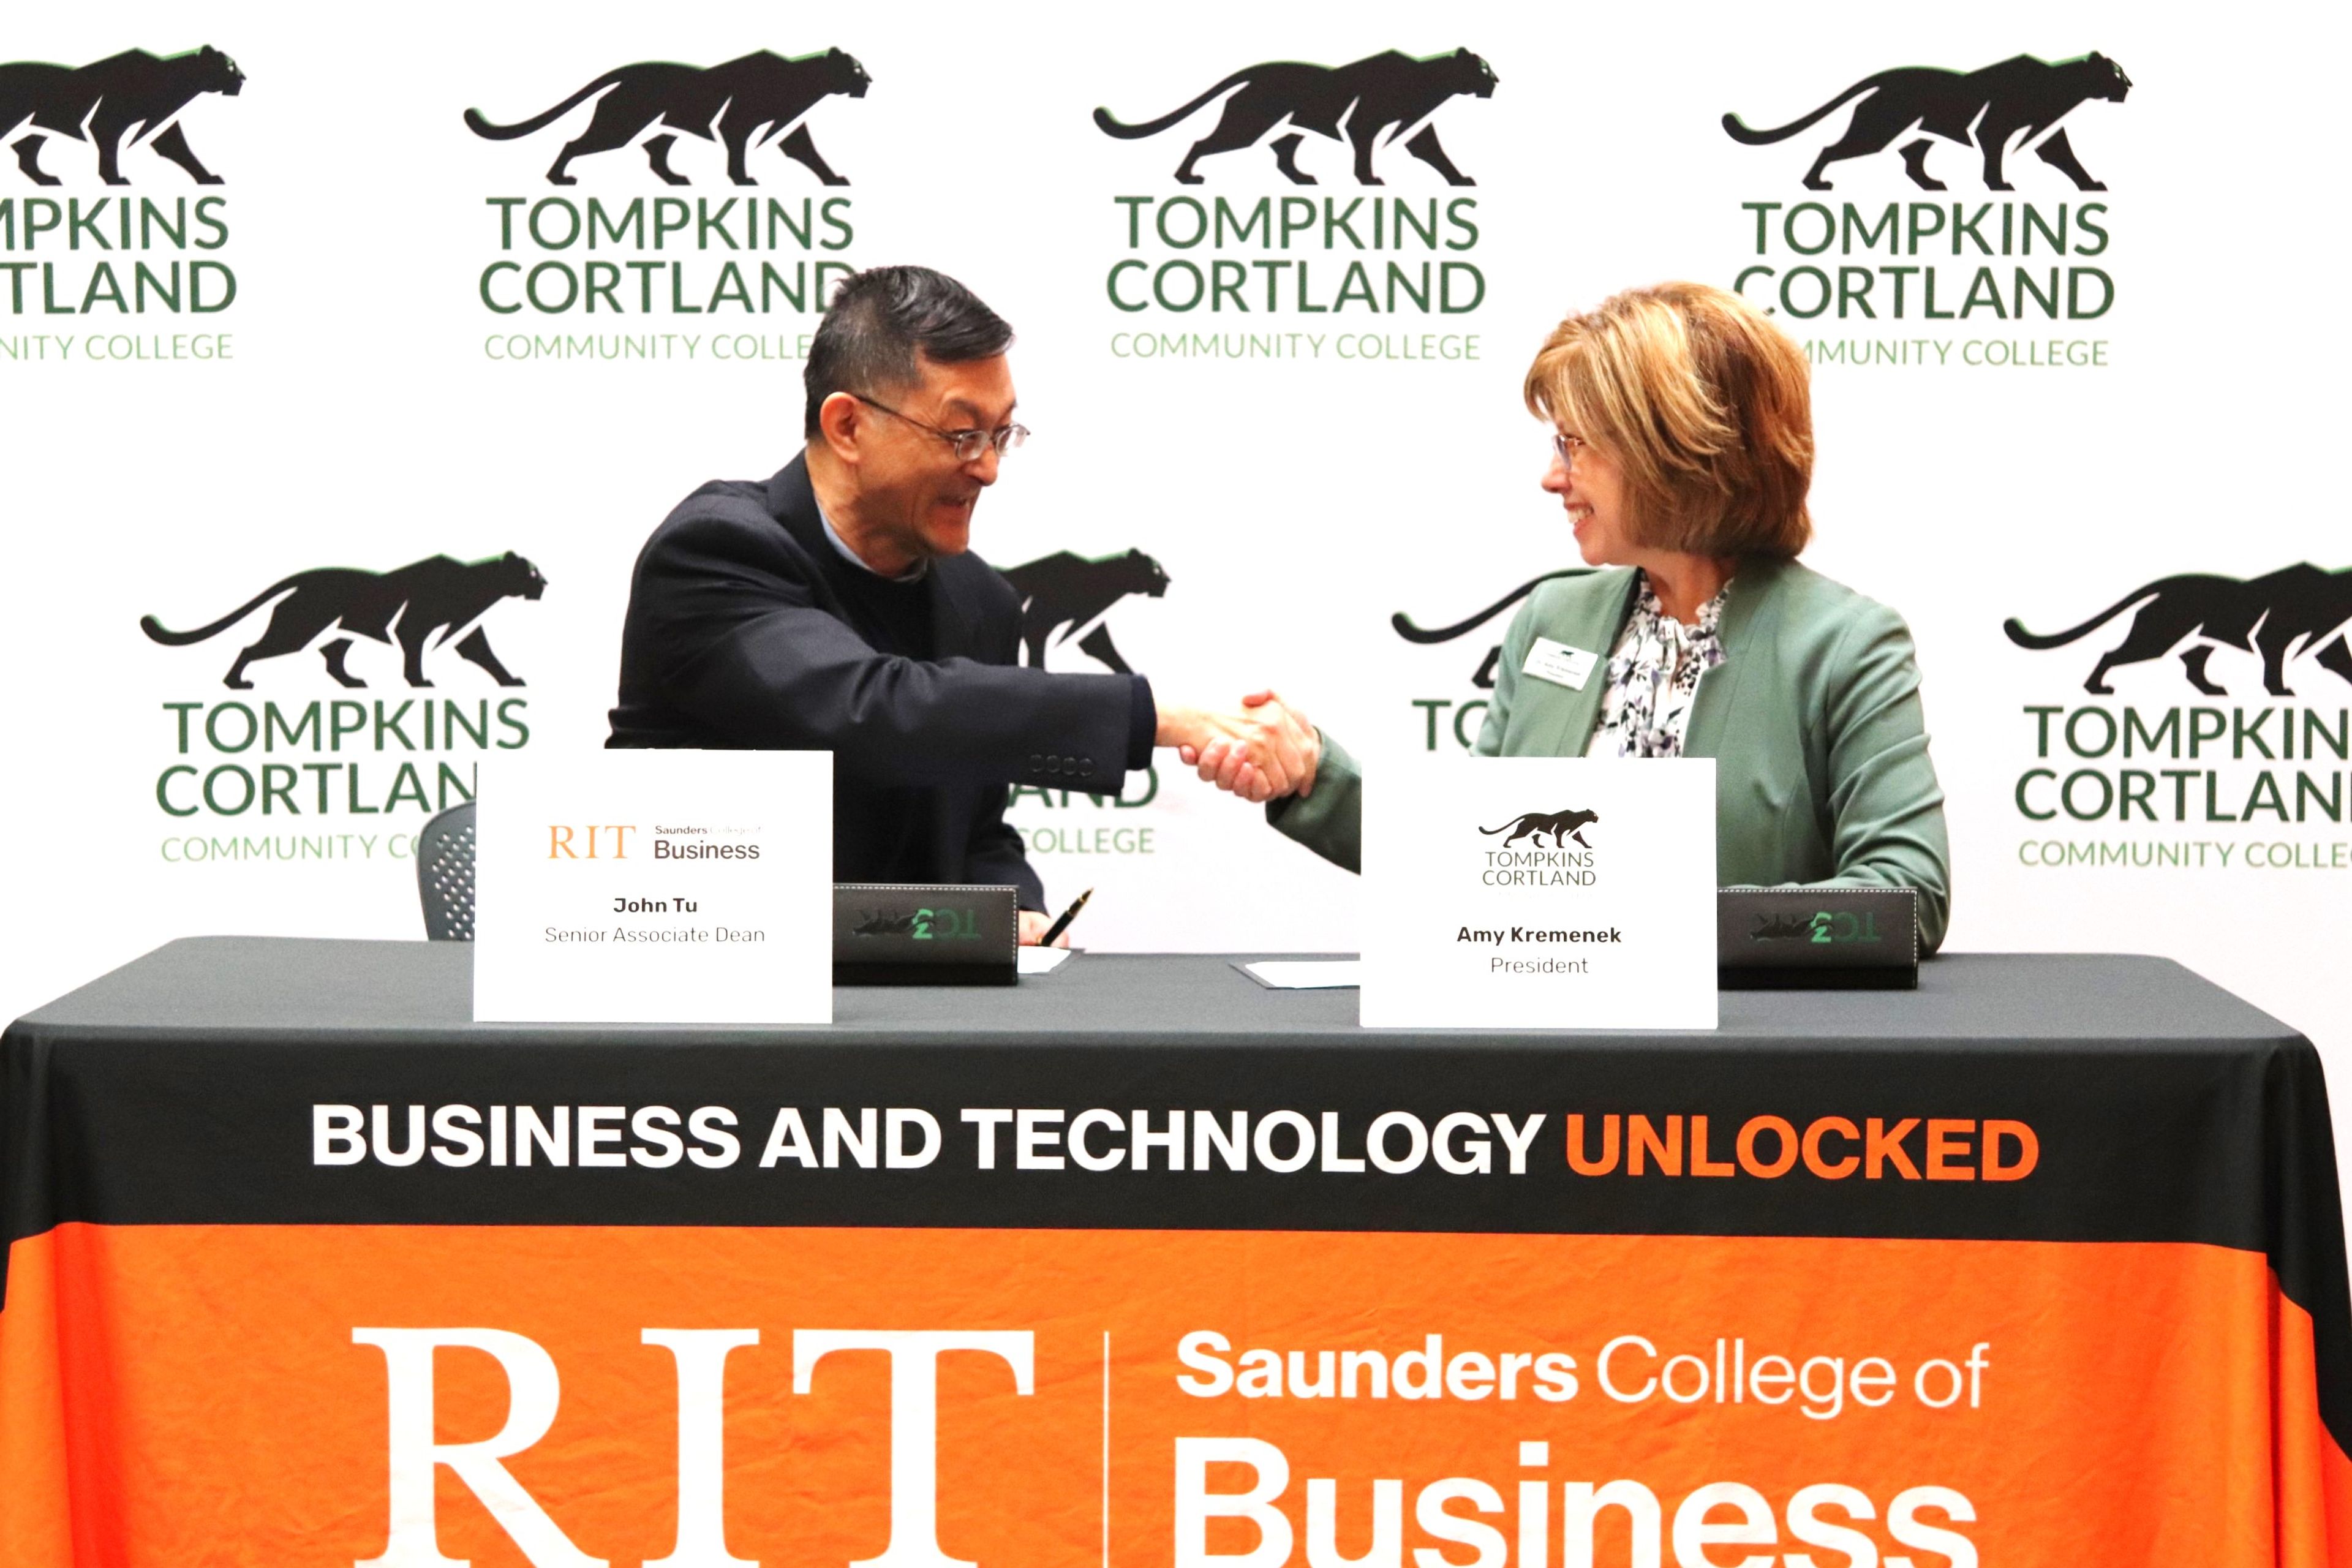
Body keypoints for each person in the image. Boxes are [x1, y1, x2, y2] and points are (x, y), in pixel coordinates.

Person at [1188, 281, 1951, 950]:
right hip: (1539, 1070)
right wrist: (1312, 773)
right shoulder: (1555, 617)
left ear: (1677, 450)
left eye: (1576, 444)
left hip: (1734, 1083)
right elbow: (1479, 859)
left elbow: (1904, 900)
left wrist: (1662, 929)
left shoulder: (1845, 645)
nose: (1552, 477)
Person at [608, 264, 1316, 943]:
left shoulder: (981, 599)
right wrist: (1160, 718)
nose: (989, 467)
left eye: (1002, 433)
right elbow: (873, 712)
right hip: (707, 999)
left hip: (908, 1026)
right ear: (848, 426)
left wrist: (1014, 910)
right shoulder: (717, 550)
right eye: (961, 434)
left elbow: (974, 827)